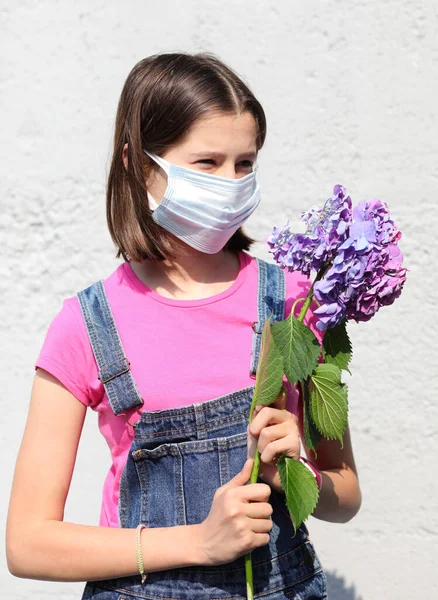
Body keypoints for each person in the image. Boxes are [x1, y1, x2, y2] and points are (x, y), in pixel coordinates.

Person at [6, 52, 362, 599]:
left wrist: (301, 474)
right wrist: (200, 542)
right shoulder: (86, 324)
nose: (231, 183)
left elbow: (346, 495)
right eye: (207, 163)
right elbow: (28, 544)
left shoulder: (294, 304)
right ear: (136, 163)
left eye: (245, 164)